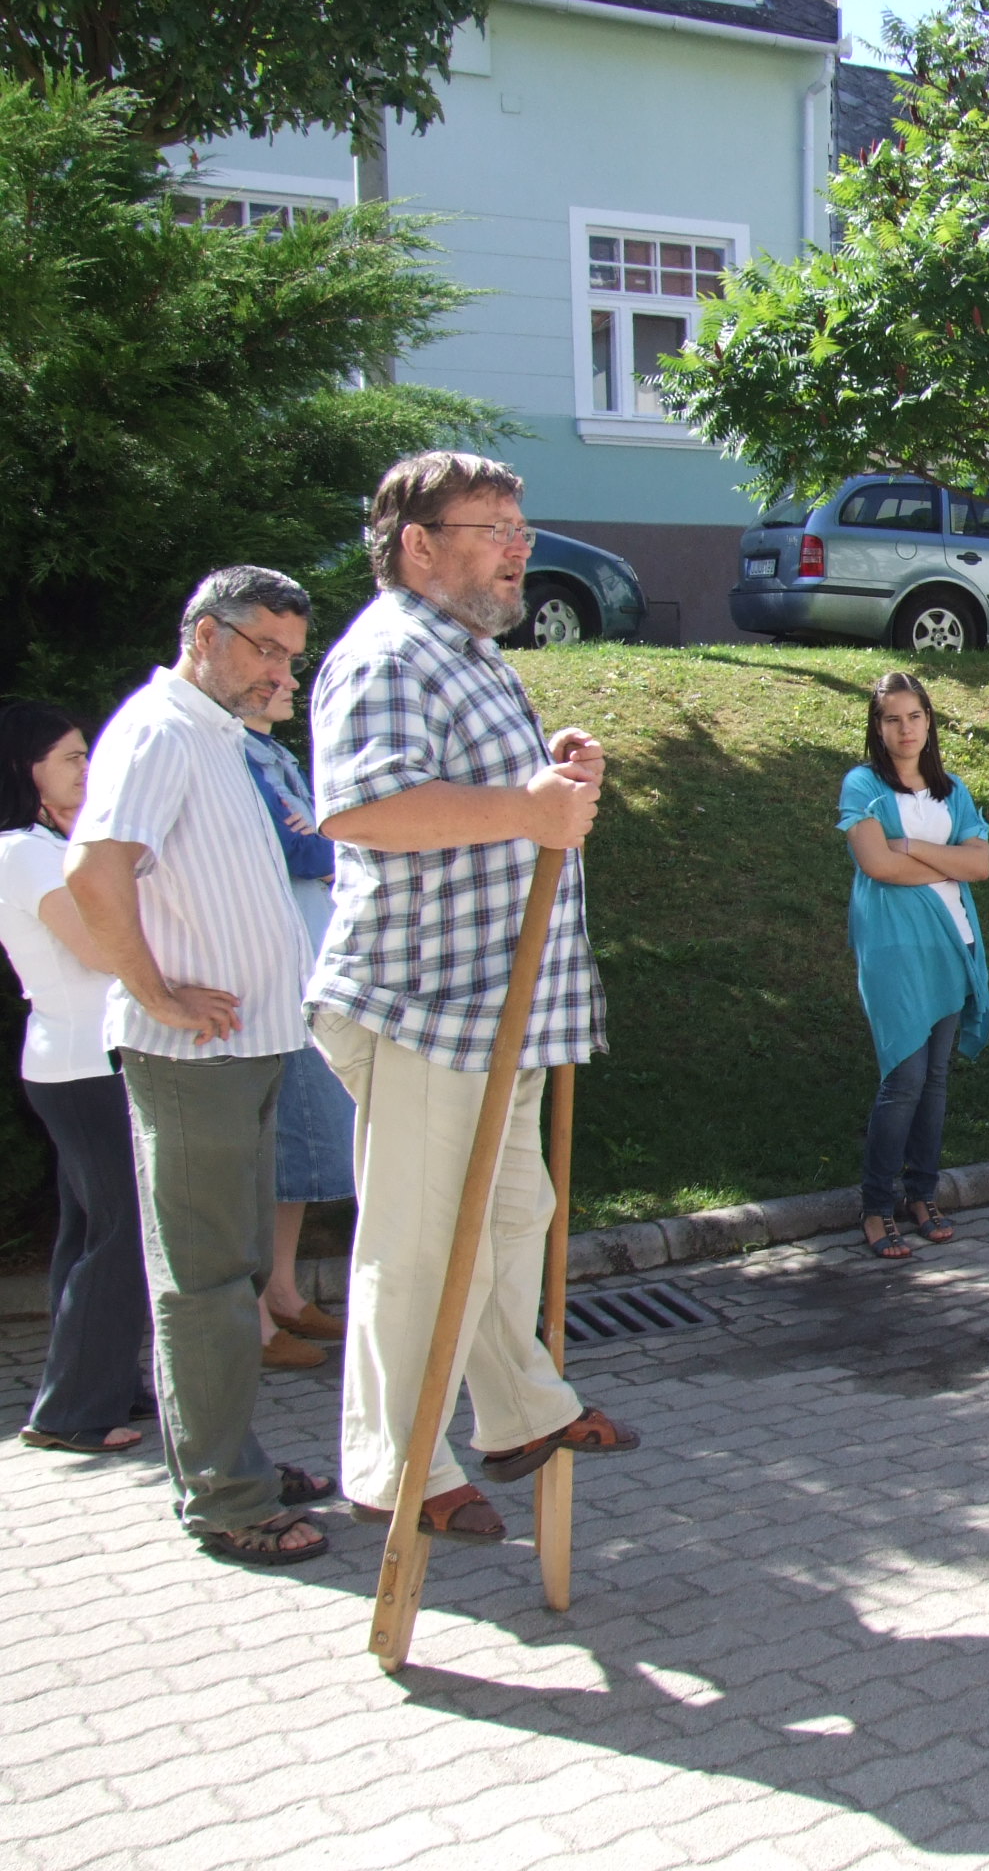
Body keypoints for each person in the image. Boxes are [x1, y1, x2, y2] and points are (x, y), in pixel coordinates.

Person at [309, 451, 635, 1549]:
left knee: (509, 1219)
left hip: (500, 1008)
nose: (518, 548)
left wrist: (547, 772)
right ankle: (395, 1464)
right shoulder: (388, 654)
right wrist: (526, 809)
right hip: (423, 1004)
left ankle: (520, 1411)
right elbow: (362, 810)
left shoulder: (471, 653)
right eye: (493, 527)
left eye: (519, 528)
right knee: (417, 1248)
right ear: (418, 545)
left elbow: (488, 796)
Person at [63, 568, 337, 1566]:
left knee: (234, 1274)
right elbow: (94, 873)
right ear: (207, 636)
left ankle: (234, 1461)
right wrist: (157, 995)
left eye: (290, 658)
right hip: (196, 1057)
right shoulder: (159, 730)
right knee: (209, 1282)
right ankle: (225, 1498)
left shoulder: (220, 735)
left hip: (249, 1048)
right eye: (266, 650)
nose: (282, 674)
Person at [2, 706, 150, 1458]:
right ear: (23, 769)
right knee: (122, 1236)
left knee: (93, 1232)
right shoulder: (24, 853)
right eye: (70, 758)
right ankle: (71, 1412)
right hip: (84, 1066)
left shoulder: (40, 847)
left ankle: (102, 1384)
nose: (87, 770)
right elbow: (99, 949)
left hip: (80, 1062)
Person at [838, 672, 989, 1260]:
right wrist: (947, 862)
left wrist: (912, 848)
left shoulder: (953, 790)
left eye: (915, 716)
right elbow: (877, 866)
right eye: (892, 719)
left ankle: (922, 1195)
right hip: (894, 948)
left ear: (929, 721)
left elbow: (981, 866)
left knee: (934, 1079)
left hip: (953, 943)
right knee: (903, 1078)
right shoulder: (863, 785)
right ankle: (876, 1205)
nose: (905, 729)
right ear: (877, 727)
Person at [240, 672, 353, 1368]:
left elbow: (321, 838)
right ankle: (255, 1316)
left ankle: (282, 1291)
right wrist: (336, 841)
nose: (290, 679)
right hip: (274, 976)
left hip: (308, 964)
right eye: (274, 665)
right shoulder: (236, 758)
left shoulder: (275, 756)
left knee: (302, 1145)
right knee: (279, 1145)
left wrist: (327, 838)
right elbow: (301, 849)